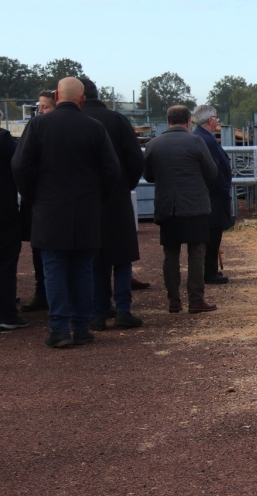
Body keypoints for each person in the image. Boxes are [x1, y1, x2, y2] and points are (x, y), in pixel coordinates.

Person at [11, 77, 121, 348]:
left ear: (57, 97)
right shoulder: (94, 128)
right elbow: (112, 170)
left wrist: (34, 196)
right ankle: (81, 327)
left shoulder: (38, 126)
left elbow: (20, 166)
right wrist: (97, 198)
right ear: (82, 100)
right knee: (84, 270)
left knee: (54, 270)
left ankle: (59, 328)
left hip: (49, 210)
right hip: (86, 210)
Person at [80, 78, 145, 330]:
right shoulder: (117, 120)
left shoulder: (77, 121)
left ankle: (97, 312)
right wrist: (125, 185)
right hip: (117, 199)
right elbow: (135, 159)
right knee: (122, 257)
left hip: (86, 201)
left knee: (95, 258)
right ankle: (123, 309)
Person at [143, 105, 217, 313]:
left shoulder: (153, 145)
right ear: (188, 122)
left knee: (170, 255)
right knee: (196, 254)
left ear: (167, 121)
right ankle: (196, 299)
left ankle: (174, 300)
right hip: (195, 206)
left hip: (168, 206)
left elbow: (149, 176)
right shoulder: (196, 141)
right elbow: (211, 172)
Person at [18, 89, 58, 313]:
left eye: (45, 107)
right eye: (39, 107)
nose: (40, 111)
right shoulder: (33, 129)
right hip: (36, 200)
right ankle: (42, 292)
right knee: (37, 248)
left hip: (44, 198)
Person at [191, 104, 233, 284]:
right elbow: (214, 170)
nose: (217, 121)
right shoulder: (205, 140)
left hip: (211, 194)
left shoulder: (203, 137)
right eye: (216, 118)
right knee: (212, 234)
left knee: (212, 235)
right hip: (213, 196)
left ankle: (210, 270)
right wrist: (224, 189)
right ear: (210, 120)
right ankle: (209, 272)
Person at [1, 124, 28, 330]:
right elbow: (21, 166)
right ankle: (7, 314)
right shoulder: (5, 141)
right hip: (4, 212)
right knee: (5, 263)